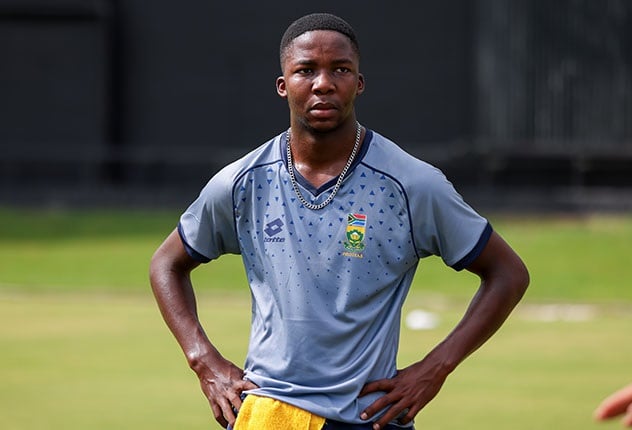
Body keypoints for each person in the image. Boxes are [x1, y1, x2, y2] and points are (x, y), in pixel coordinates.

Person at [149, 12, 529, 430]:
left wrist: (435, 368)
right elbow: (166, 263)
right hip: (270, 413)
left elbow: (508, 273)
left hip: (368, 417)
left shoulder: (412, 184)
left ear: (359, 83)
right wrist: (204, 360)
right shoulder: (243, 183)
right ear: (283, 86)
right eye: (306, 70)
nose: (323, 83)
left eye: (340, 70)